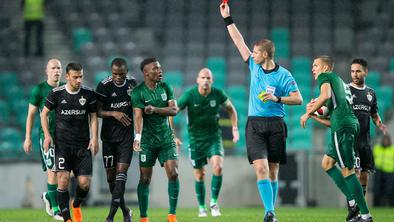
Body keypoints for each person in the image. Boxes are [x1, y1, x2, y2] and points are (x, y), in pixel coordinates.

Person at [219, 3, 303, 222]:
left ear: (265, 55)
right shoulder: (254, 67)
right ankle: (270, 212)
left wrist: (277, 98)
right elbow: (239, 41)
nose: (252, 54)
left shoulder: (284, 75)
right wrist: (228, 18)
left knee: (273, 170)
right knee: (262, 168)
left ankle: (270, 212)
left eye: (256, 52)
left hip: (276, 124)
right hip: (255, 125)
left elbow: (298, 99)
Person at [300, 55, 373, 222]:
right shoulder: (338, 82)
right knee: (327, 163)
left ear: (325, 68)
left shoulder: (325, 77)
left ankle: (365, 215)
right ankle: (353, 199)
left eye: (316, 65)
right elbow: (332, 120)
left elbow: (324, 96)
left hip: (343, 127)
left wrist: (308, 112)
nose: (313, 69)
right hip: (345, 125)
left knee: (348, 170)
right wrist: (315, 116)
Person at [175, 68, 239, 217]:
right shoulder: (189, 95)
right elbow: (173, 112)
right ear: (197, 80)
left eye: (208, 78)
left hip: (213, 138)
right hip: (195, 140)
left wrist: (234, 128)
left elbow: (231, 109)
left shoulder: (217, 94)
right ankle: (202, 207)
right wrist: (172, 134)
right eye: (203, 77)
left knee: (218, 167)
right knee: (200, 174)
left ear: (212, 81)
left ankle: (214, 202)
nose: (205, 80)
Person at [41, 62, 98, 222]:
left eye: (81, 76)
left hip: (83, 146)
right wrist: (47, 135)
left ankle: (76, 204)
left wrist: (94, 137)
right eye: (75, 77)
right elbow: (43, 114)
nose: (79, 80)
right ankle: (67, 219)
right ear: (67, 77)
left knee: (84, 183)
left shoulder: (88, 93)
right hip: (63, 146)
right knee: (63, 180)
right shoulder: (56, 93)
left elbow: (93, 117)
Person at [131, 58, 179, 222]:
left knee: (173, 173)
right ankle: (144, 217)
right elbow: (138, 116)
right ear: (146, 73)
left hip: (166, 138)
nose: (160, 71)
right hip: (147, 141)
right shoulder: (138, 92)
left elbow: (174, 110)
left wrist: (155, 109)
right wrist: (137, 137)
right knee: (145, 178)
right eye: (156, 69)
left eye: (160, 68)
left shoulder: (166, 87)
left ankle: (172, 216)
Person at [95, 58, 137, 222]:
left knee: (121, 175)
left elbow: (137, 106)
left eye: (121, 74)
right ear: (111, 72)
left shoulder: (132, 83)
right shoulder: (104, 86)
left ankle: (110, 216)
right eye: (115, 74)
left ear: (126, 72)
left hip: (126, 138)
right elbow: (97, 111)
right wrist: (114, 113)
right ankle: (126, 212)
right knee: (111, 178)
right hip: (108, 138)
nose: (118, 77)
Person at [23, 58, 63, 220]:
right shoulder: (39, 90)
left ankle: (48, 196)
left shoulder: (66, 88)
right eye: (53, 68)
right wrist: (27, 138)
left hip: (65, 137)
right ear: (47, 71)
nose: (56, 71)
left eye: (59, 68)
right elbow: (31, 115)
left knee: (65, 173)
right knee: (53, 170)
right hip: (47, 137)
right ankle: (55, 209)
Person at [348, 58, 387, 198]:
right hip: (351, 140)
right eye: (352, 71)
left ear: (365, 72)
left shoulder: (370, 93)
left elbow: (374, 114)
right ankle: (354, 209)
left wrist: (380, 124)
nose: (354, 74)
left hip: (365, 141)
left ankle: (360, 206)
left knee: (364, 175)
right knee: (356, 173)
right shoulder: (346, 90)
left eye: (358, 71)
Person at [373, 134, 394, 206]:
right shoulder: (377, 148)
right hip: (379, 171)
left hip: (389, 172)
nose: (385, 142)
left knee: (390, 189)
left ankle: (391, 205)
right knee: (377, 189)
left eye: (387, 140)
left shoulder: (392, 149)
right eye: (384, 140)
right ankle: (377, 205)